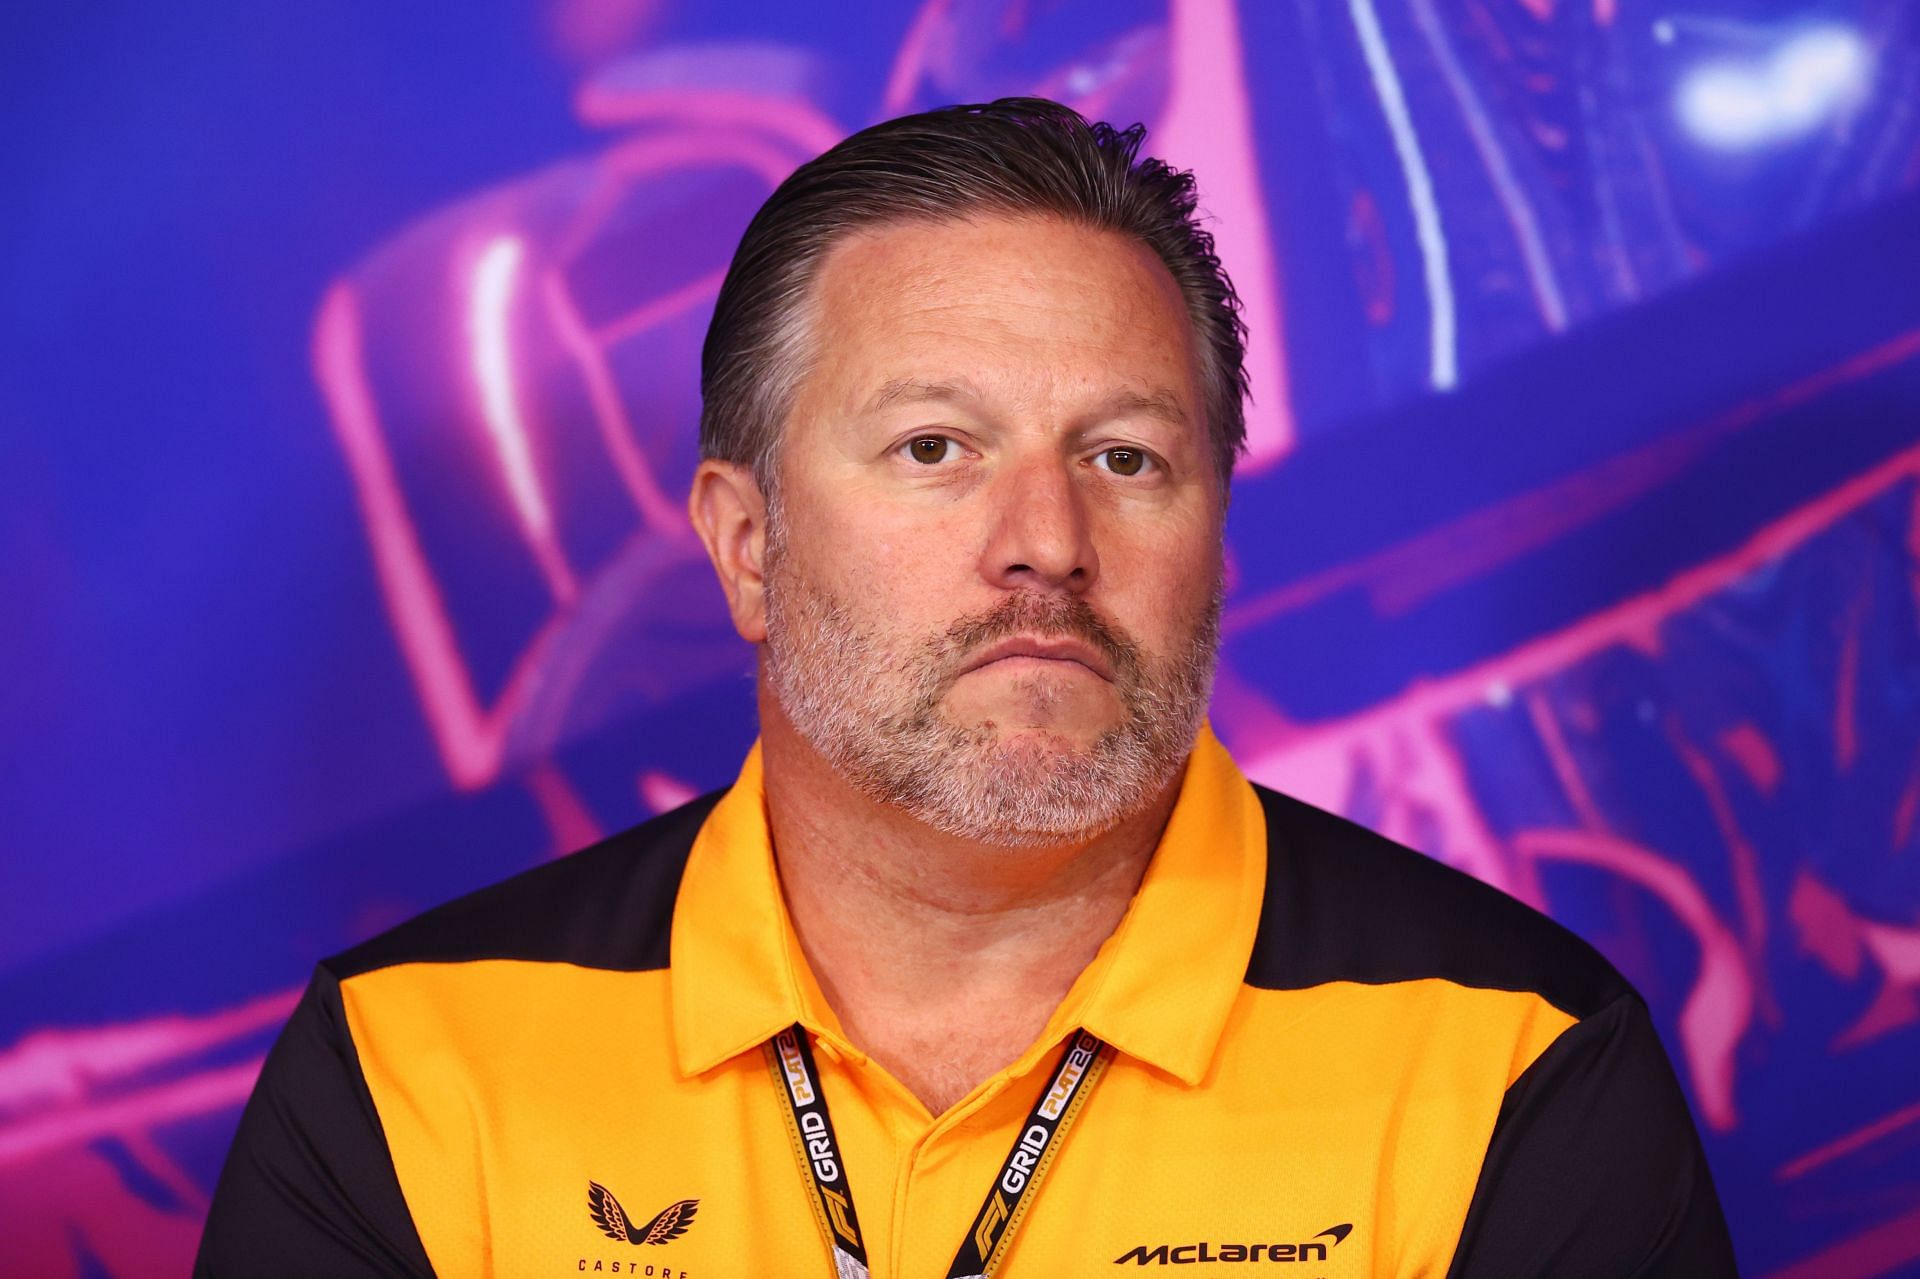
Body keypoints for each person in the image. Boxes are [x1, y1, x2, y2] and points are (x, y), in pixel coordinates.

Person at [197, 98, 1738, 1278]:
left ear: (1215, 536)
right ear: (745, 545)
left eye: (1126, 459)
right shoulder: (413, 1069)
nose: (1046, 547)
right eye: (936, 448)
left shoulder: (1510, 1059)